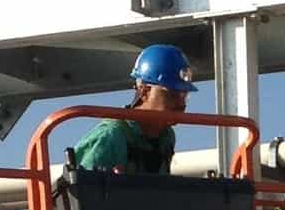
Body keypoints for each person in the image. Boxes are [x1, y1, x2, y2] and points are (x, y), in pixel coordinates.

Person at [71, 43, 195, 179]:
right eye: (172, 94)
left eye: (184, 95)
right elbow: (78, 193)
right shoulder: (111, 136)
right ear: (144, 91)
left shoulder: (166, 137)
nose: (181, 103)